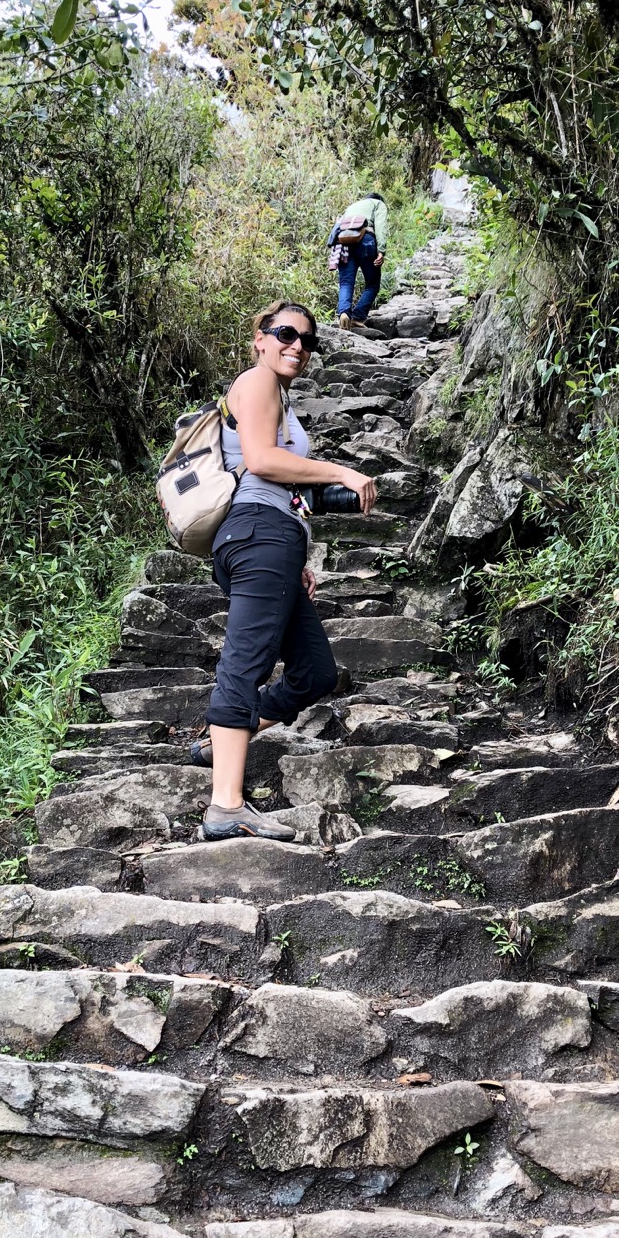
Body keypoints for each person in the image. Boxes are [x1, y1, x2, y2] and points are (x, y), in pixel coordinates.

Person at [194, 300, 378, 841]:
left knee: (315, 672)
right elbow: (262, 461)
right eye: (285, 333)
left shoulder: (278, 395)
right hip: (257, 535)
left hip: (274, 542)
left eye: (306, 340)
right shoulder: (255, 381)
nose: (296, 344)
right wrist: (341, 469)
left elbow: (285, 483)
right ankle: (226, 804)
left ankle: (218, 742)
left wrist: (298, 553)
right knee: (244, 663)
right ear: (259, 336)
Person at [328, 190, 389, 330]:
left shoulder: (353, 206)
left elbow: (337, 227)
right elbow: (380, 227)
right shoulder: (378, 204)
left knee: (346, 283)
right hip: (365, 241)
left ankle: (343, 314)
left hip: (343, 242)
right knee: (373, 284)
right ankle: (357, 317)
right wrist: (381, 250)